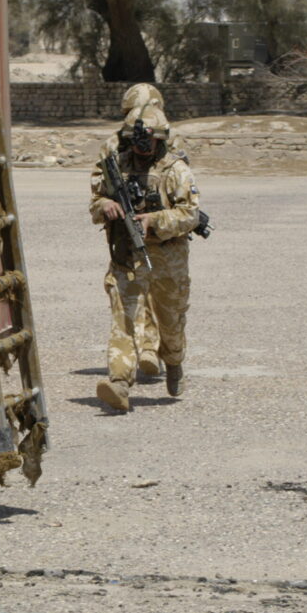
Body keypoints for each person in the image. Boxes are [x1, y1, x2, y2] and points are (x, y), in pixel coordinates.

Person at [89, 106, 200, 412]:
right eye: (137, 140)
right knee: (124, 318)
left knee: (171, 322)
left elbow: (189, 215)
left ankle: (174, 361)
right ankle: (120, 383)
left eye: (150, 140)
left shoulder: (175, 169)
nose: (143, 147)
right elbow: (94, 204)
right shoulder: (114, 167)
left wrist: (154, 221)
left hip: (168, 259)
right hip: (126, 255)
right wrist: (106, 206)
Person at [101, 83, 171, 378]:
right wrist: (105, 203)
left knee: (154, 291)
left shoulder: (166, 140)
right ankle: (137, 354)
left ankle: (152, 348)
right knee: (125, 290)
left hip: (160, 232)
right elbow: (99, 182)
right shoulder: (113, 145)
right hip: (122, 231)